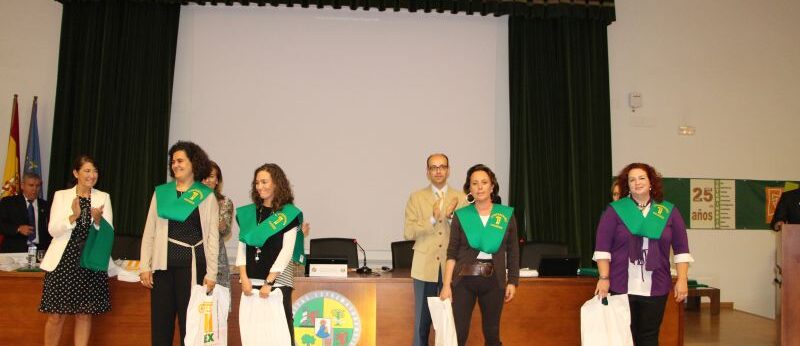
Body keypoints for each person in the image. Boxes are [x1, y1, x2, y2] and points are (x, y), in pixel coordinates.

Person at [593, 162, 693, 346]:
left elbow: (682, 250)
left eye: (641, 178)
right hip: (621, 284)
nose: (637, 182)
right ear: (627, 185)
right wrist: (604, 277)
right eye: (632, 179)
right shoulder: (615, 211)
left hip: (657, 286)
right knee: (623, 337)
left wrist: (682, 279)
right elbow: (602, 249)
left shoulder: (668, 211)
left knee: (649, 337)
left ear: (651, 183)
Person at [140, 141, 219, 346]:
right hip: (163, 268)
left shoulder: (206, 195)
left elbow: (212, 238)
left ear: (193, 163)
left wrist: (212, 273)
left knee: (190, 325)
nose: (175, 164)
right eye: (173, 161)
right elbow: (149, 232)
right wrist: (144, 266)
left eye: (180, 160)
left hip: (193, 269)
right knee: (161, 325)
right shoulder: (161, 193)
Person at [440, 164, 519, 346]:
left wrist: (513, 281)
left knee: (492, 335)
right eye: (474, 183)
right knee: (458, 335)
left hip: (494, 281)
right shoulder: (462, 215)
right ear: (469, 188)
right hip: (462, 281)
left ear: (492, 187)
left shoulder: (505, 215)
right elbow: (452, 252)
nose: (480, 187)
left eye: (484, 182)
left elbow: (513, 251)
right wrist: (446, 285)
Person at [39, 155, 113, 346]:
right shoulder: (61, 195)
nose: (92, 175)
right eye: (87, 170)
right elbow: (52, 230)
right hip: (63, 261)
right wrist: (74, 216)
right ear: (76, 173)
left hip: (89, 260)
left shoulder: (103, 197)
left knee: (84, 314)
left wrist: (98, 221)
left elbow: (108, 234)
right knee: (56, 315)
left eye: (95, 171)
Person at [236, 163, 305, 344]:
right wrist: (243, 277)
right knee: (255, 334)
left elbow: (286, 252)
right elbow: (242, 247)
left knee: (280, 334)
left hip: (278, 281)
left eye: (265, 181)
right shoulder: (249, 213)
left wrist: (269, 282)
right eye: (257, 182)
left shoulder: (288, 213)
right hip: (251, 281)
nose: (260, 186)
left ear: (276, 183)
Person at [403, 153, 466, 346]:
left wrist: (451, 217)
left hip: (452, 266)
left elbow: (467, 234)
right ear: (427, 172)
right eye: (433, 167)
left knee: (451, 321)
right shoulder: (416, 197)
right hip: (424, 267)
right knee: (422, 323)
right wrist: (432, 219)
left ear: (448, 170)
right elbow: (409, 232)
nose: (438, 171)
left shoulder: (461, 197)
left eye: (442, 167)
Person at [0, 172, 51, 252]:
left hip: (40, 251)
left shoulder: (46, 205)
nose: (34, 189)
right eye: (31, 185)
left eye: (37, 186)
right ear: (22, 186)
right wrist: (18, 228)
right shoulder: (9, 202)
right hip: (15, 250)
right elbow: (1, 224)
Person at [202, 161, 234, 290]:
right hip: (193, 255)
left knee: (215, 303)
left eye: (210, 176)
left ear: (217, 180)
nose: (206, 180)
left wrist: (218, 222)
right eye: (203, 176)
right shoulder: (188, 201)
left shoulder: (224, 202)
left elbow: (225, 231)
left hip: (216, 257)